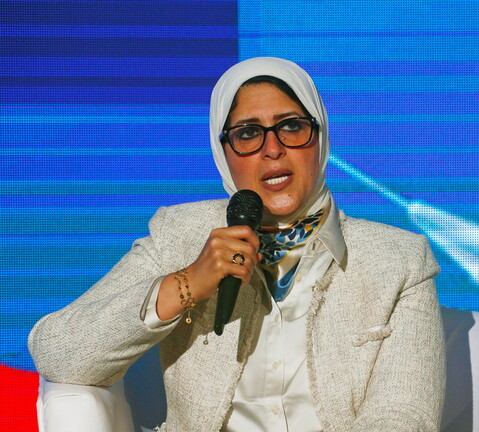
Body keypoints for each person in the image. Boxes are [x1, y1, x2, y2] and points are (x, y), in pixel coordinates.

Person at [28, 57, 446, 432]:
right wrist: (188, 282)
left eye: (291, 126)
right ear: (222, 151)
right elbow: (58, 352)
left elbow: (403, 414)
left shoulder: (399, 259)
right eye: (248, 134)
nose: (273, 149)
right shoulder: (179, 233)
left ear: (320, 138)